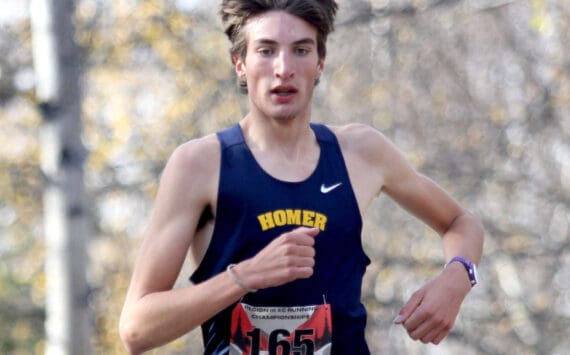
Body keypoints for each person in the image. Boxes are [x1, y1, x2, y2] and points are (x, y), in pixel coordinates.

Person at [119, 0, 484, 354]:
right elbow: (136, 330)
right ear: (240, 64)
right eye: (266, 51)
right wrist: (244, 276)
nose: (283, 68)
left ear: (320, 63)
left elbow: (459, 222)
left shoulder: (361, 152)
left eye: (301, 50)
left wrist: (457, 278)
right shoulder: (200, 165)